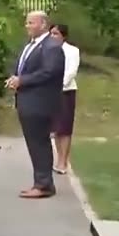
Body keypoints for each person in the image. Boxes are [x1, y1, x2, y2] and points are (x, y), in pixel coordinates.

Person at [5, 10, 66, 199]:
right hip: (27, 101)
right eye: (27, 23)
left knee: (39, 143)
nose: (27, 26)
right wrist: (15, 79)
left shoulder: (51, 46)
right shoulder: (32, 45)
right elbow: (27, 68)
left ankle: (44, 185)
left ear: (43, 24)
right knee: (35, 143)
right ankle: (41, 182)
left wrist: (22, 80)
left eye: (31, 23)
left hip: (40, 103)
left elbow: (49, 72)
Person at [50, 23, 80, 174]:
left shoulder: (72, 51)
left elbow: (71, 72)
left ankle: (64, 161)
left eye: (56, 34)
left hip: (66, 91)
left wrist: (59, 86)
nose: (53, 37)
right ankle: (59, 159)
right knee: (55, 128)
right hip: (51, 92)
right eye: (51, 34)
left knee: (65, 127)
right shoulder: (48, 50)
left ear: (64, 36)